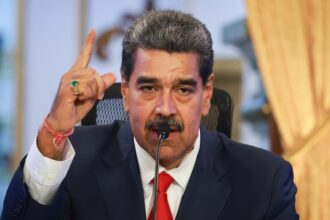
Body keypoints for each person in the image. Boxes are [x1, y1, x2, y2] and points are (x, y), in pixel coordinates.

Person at [1, 10, 298, 220]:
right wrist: (54, 131)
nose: (165, 109)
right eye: (149, 88)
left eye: (183, 90)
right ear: (126, 91)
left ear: (206, 95)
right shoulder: (72, 159)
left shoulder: (264, 180)